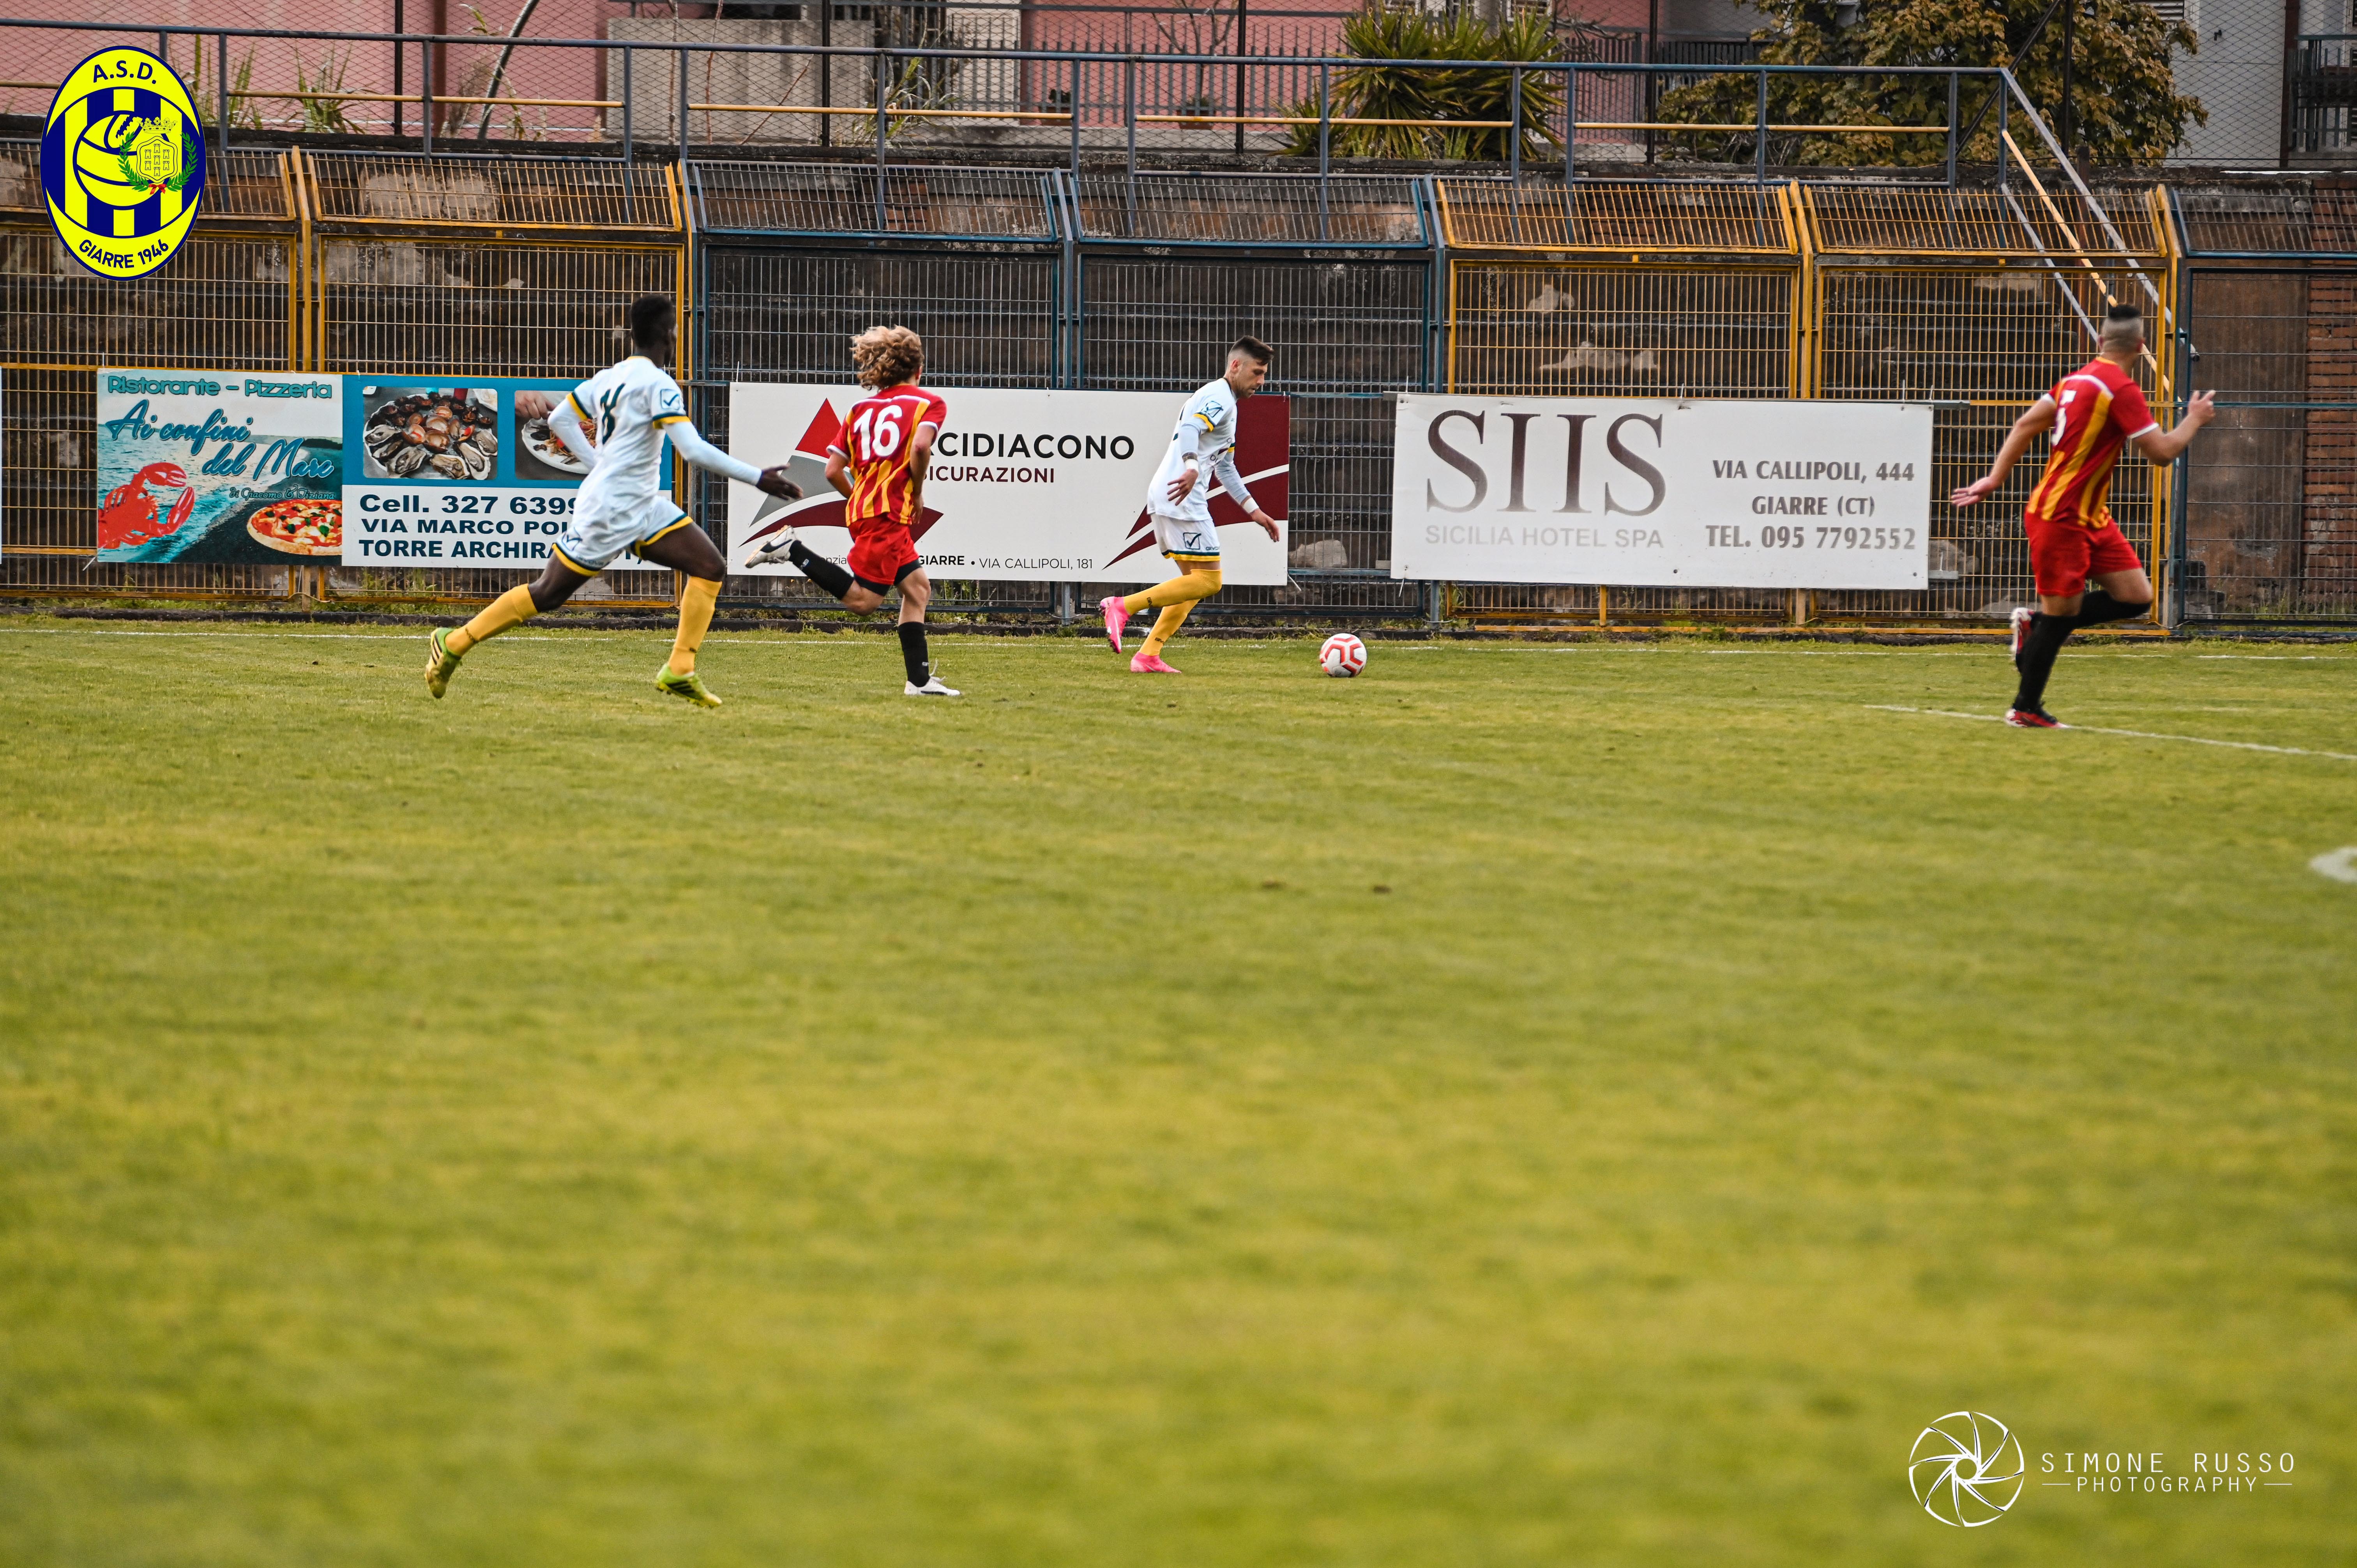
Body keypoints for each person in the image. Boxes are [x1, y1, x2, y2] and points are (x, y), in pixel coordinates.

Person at [424, 295, 798, 707]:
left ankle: (680, 669)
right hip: (610, 509)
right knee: (548, 594)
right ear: (668, 335)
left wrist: (597, 463)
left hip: (642, 504)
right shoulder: (659, 384)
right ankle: (454, 641)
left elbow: (560, 418)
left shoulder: (609, 377)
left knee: (710, 567)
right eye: (675, 329)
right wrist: (757, 477)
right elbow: (692, 450)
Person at [1952, 304, 2214, 727]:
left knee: (2135, 598)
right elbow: (2163, 453)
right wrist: (2194, 420)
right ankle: (2025, 708)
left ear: (2100, 341)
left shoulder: (2075, 380)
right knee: (2062, 618)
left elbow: (2024, 425)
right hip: (2060, 516)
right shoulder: (2120, 389)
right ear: (2142, 346)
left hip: (2090, 515)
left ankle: (2035, 625)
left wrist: (1994, 478)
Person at [744, 325, 960, 697]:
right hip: (889, 516)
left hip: (866, 511)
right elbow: (920, 449)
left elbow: (832, 471)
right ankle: (792, 550)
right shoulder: (929, 403)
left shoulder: (859, 410)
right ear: (918, 370)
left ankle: (919, 682)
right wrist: (917, 491)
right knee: (864, 602)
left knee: (918, 590)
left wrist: (861, 497)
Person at [1099, 337, 1283, 674]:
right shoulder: (1219, 397)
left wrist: (1254, 511)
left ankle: (1148, 656)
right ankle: (1123, 606)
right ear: (1236, 366)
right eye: (1257, 372)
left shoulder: (1226, 403)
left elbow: (1226, 467)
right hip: (1183, 497)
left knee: (1193, 584)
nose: (1261, 381)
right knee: (1210, 582)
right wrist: (1192, 466)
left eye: (1264, 374)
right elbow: (1190, 428)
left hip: (1172, 495)